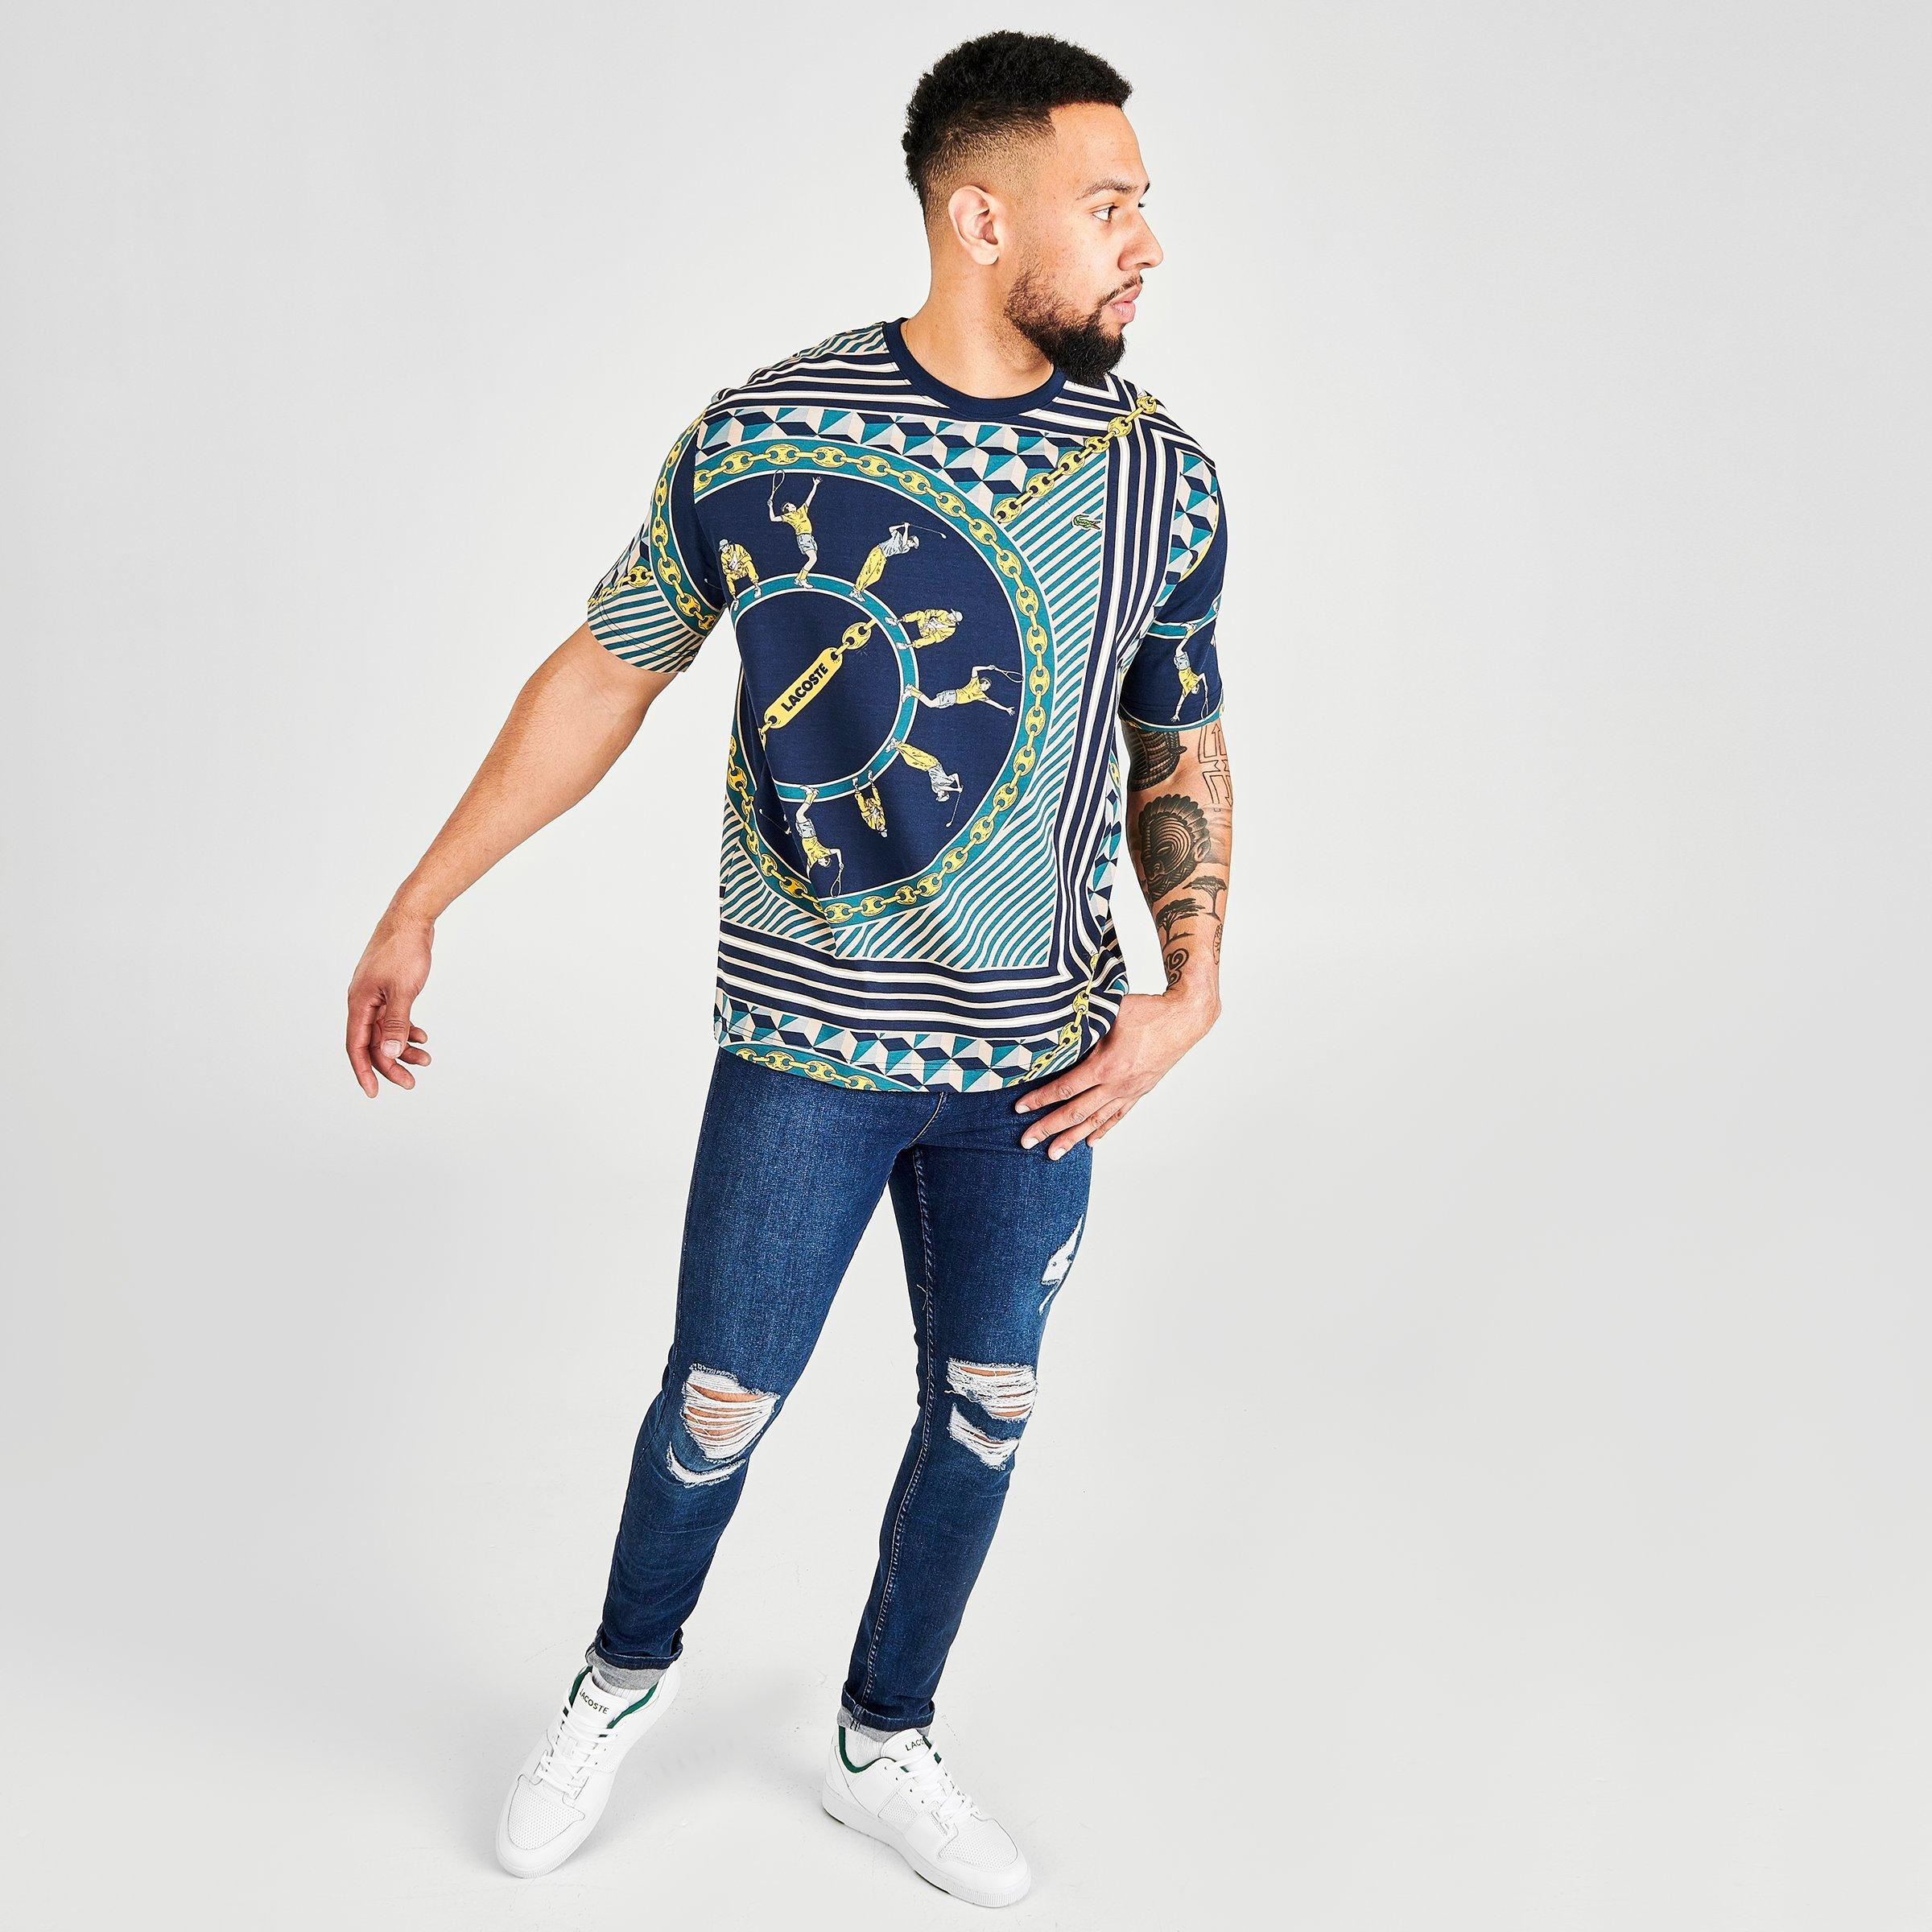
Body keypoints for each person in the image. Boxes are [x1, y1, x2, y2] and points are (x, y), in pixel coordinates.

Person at [344, 28, 1235, 1909]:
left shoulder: (1162, 477)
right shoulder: (766, 434)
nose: (1149, 243)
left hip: (1039, 1060)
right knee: (716, 1402)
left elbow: (1181, 735)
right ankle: (618, 1681)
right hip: (804, 1050)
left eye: (1144, 204)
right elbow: (608, 670)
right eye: (1110, 206)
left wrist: (1194, 982)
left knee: (987, 1412)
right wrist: (425, 897)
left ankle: (883, 1739)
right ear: (980, 220)